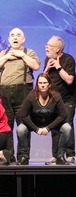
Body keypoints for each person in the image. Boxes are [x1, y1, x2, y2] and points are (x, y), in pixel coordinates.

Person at [0, 27, 40, 162]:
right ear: (9, 39)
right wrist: (7, 57)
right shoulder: (3, 52)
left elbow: (36, 66)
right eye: (12, 35)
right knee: (5, 126)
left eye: (18, 35)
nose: (15, 37)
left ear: (23, 39)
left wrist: (22, 55)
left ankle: (23, 156)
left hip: (23, 92)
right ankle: (7, 156)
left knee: (23, 126)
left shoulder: (28, 52)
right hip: (5, 92)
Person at [17, 73, 71, 165]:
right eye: (40, 82)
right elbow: (23, 114)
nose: (42, 85)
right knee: (20, 129)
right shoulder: (31, 96)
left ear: (49, 84)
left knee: (67, 128)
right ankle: (24, 157)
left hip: (51, 123)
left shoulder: (55, 96)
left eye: (45, 82)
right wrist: (36, 129)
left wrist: (48, 128)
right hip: (35, 123)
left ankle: (60, 157)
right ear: (37, 84)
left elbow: (63, 115)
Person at [43, 36, 75, 165]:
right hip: (53, 100)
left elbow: (69, 80)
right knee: (55, 126)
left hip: (67, 100)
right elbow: (44, 79)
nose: (46, 47)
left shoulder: (68, 59)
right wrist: (46, 69)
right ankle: (56, 156)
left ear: (57, 49)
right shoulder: (48, 59)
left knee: (67, 125)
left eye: (49, 45)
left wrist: (58, 66)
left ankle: (71, 154)